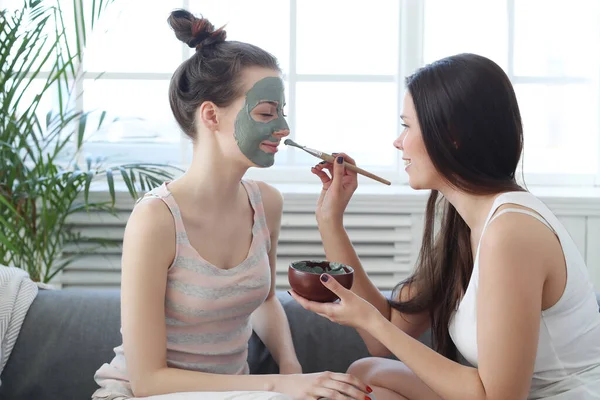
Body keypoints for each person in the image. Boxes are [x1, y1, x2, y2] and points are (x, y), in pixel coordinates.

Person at [91, 9, 371, 400]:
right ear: (211, 115)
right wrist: (278, 383)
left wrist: (292, 369)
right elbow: (149, 380)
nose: (283, 127)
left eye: (283, 113)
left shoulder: (266, 203)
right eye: (266, 113)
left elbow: (266, 300)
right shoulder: (155, 219)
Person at [290, 53, 600, 399]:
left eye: (407, 126)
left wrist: (371, 320)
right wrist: (330, 221)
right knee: (365, 373)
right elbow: (385, 337)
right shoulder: (468, 224)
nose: (398, 142)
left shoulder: (511, 233)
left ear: (451, 135)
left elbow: (500, 398)